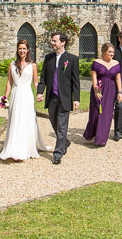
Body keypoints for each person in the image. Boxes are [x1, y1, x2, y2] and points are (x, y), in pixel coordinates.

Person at [0, 40, 48, 161]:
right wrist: (5, 97)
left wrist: (39, 93)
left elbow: (35, 82)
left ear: (28, 50)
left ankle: (26, 148)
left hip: (27, 95)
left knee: (26, 120)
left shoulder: (32, 65)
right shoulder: (12, 65)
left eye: (24, 49)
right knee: (15, 120)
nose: (22, 51)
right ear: (17, 49)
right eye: (20, 48)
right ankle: (14, 148)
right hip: (15, 95)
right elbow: (9, 82)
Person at [36, 32, 80, 165]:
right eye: (52, 41)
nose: (52, 43)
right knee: (53, 121)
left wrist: (76, 98)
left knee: (62, 126)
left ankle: (58, 153)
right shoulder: (48, 58)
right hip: (52, 97)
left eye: (55, 41)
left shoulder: (72, 59)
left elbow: (75, 81)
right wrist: (40, 92)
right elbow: (43, 77)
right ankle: (64, 141)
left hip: (65, 97)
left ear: (63, 42)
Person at [83, 43, 122, 146]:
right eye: (109, 52)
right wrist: (96, 91)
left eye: (113, 52)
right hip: (99, 89)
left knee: (107, 114)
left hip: (111, 90)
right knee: (96, 113)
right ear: (104, 52)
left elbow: (118, 78)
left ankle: (101, 139)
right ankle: (90, 134)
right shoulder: (97, 62)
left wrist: (119, 92)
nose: (112, 54)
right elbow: (94, 79)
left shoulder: (116, 63)